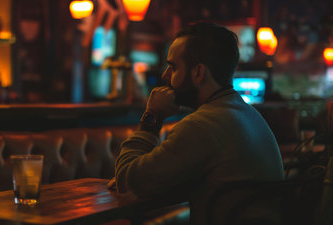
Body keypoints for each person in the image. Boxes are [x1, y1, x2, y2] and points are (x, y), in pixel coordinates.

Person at [110, 22, 285, 225]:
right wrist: (148, 177)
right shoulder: (248, 114)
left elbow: (127, 182)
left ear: (198, 73)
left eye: (173, 67)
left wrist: (153, 116)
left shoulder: (203, 125)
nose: (165, 76)